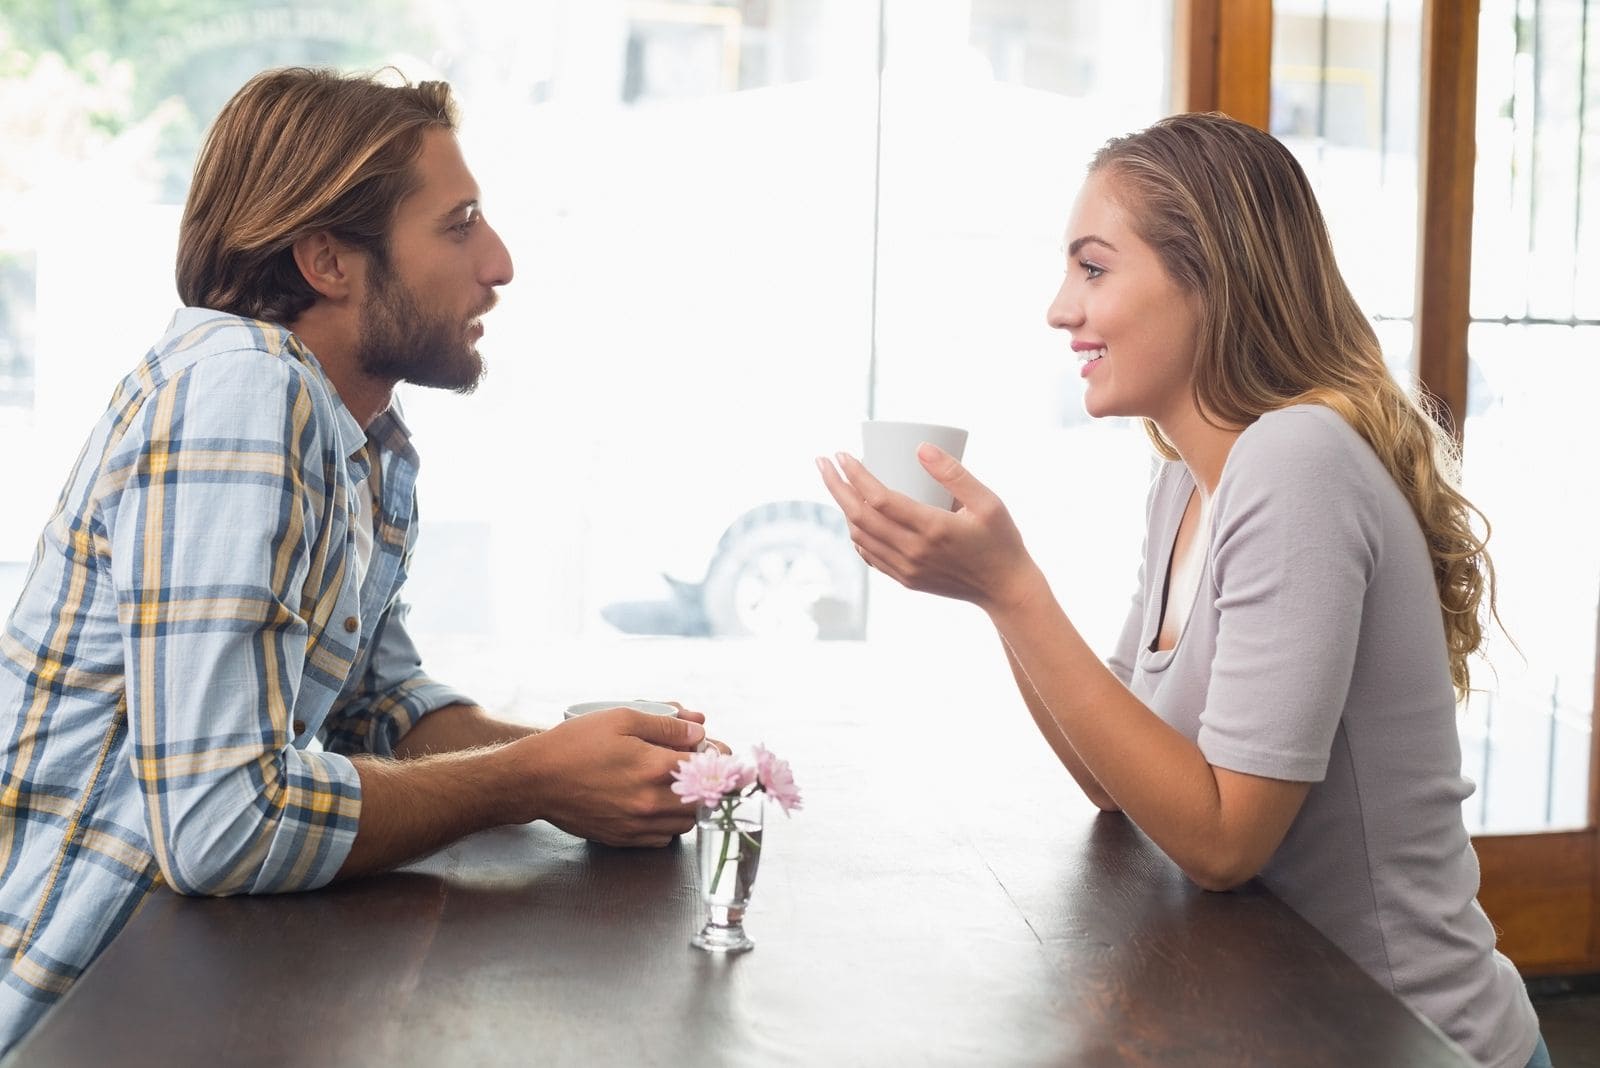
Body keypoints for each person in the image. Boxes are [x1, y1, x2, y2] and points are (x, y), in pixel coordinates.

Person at [0, 67, 719, 1053]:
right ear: (330, 262)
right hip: (71, 1015)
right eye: (458, 225)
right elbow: (223, 825)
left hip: (184, 986)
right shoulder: (242, 392)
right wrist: (532, 779)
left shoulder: (357, 440)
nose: (500, 265)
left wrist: (593, 768)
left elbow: (372, 706)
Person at [818, 112, 1549, 1068]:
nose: (1059, 310)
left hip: (1407, 1040)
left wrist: (1012, 589)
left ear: (1210, 279)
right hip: (1279, 1020)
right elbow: (1110, 779)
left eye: (1093, 268)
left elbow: (1221, 843)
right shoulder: (1186, 484)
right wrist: (986, 589)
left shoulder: (1299, 462)